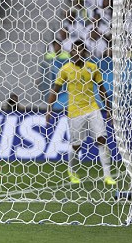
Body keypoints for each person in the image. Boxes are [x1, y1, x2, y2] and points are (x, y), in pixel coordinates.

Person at [46, 40, 115, 186]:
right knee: (77, 145)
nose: (76, 53)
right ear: (71, 52)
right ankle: (71, 171)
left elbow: (102, 89)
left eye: (79, 50)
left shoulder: (92, 68)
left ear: (85, 52)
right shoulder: (65, 69)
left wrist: (108, 108)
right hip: (75, 111)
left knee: (101, 139)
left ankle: (107, 176)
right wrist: (49, 110)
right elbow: (55, 90)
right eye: (74, 50)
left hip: (93, 108)